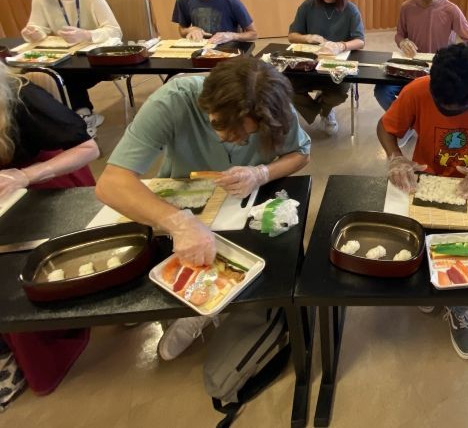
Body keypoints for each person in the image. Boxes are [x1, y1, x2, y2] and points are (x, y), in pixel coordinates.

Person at [95, 57, 311, 360]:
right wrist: (180, 223)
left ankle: (197, 311)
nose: (234, 141)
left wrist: (259, 173)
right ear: (207, 104)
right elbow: (111, 183)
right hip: (182, 196)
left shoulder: (273, 108)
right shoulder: (173, 100)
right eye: (223, 128)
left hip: (240, 200)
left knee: (245, 263)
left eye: (246, 135)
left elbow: (301, 154)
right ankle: (168, 299)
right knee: (164, 262)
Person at [377, 44, 468, 360]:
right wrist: (396, 158)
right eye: (440, 104)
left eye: (454, 109)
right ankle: (431, 286)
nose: (445, 110)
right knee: (417, 252)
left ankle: (458, 308)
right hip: (426, 183)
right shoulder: (418, 89)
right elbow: (386, 127)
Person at [0, 61, 100, 401]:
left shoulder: (22, 95)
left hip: (47, 185)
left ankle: (26, 349)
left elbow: (89, 149)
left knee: (10, 273)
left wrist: (24, 176)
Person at [21, 0, 123, 136]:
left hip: (95, 61)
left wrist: (85, 34)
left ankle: (81, 116)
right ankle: (67, 117)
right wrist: (34, 33)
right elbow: (36, 26)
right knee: (36, 74)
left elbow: (115, 31)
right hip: (63, 56)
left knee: (66, 74)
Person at [374, 0, 468, 122]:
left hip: (439, 71)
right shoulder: (407, 8)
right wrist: (403, 42)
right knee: (382, 91)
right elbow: (399, 35)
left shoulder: (451, 10)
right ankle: (410, 122)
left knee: (435, 96)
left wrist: (467, 55)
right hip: (411, 67)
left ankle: (420, 121)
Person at [287, 0, 365, 135]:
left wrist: (341, 45)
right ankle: (322, 109)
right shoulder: (308, 6)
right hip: (309, 64)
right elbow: (292, 35)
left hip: (336, 64)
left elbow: (360, 41)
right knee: (285, 86)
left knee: (341, 90)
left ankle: (326, 110)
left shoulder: (350, 9)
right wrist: (307, 38)